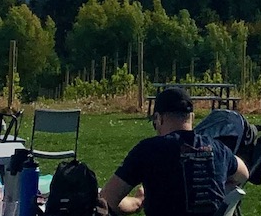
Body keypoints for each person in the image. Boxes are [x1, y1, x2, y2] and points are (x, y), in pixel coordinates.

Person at [101, 87, 249, 216]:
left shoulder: (147, 150)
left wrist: (136, 202)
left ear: (158, 118)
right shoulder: (218, 149)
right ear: (191, 117)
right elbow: (244, 174)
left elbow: (107, 200)